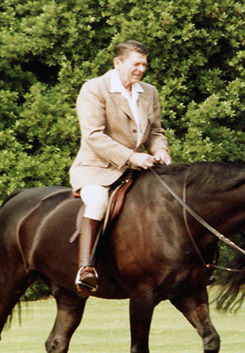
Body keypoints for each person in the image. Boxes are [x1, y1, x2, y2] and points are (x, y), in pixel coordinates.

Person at [69, 40, 171, 293]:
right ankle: (86, 268)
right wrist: (130, 156)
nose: (141, 69)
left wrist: (160, 149)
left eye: (144, 64)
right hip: (97, 168)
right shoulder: (94, 89)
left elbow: (156, 131)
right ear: (118, 62)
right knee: (98, 202)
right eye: (136, 64)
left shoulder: (149, 92)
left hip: (137, 168)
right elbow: (93, 135)